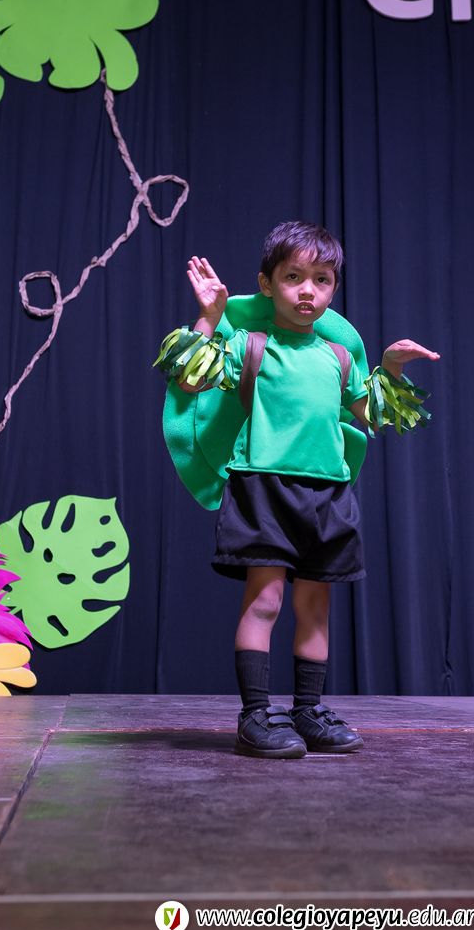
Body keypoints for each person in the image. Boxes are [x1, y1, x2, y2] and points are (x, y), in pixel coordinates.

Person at [156, 221, 439, 759]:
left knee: (314, 605)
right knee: (265, 600)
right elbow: (189, 378)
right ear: (267, 284)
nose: (308, 290)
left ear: (333, 289)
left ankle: (307, 711)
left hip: (328, 494)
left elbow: (371, 414)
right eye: (293, 277)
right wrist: (210, 316)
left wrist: (390, 368)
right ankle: (256, 716)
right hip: (262, 486)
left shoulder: (338, 357)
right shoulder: (249, 345)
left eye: (322, 280)